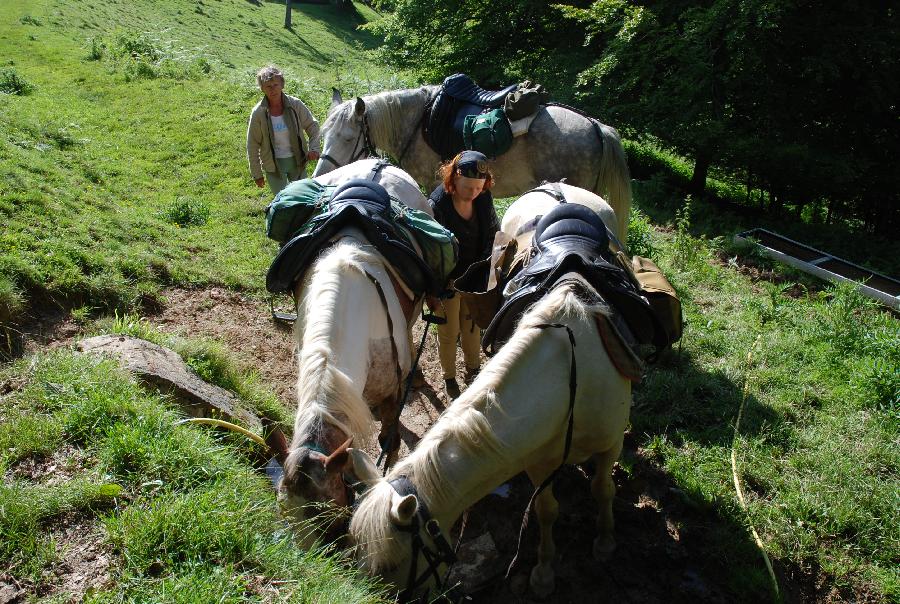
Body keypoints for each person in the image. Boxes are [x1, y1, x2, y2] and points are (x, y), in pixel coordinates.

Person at [428, 150, 500, 398]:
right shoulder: (437, 206)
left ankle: (474, 369)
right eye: (468, 187)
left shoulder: (484, 200)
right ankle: (449, 377)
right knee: (449, 332)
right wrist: (435, 288)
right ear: (453, 179)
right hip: (447, 280)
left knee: (471, 327)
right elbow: (432, 253)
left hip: (473, 278)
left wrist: (485, 270)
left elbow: (493, 234)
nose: (473, 193)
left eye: (478, 187)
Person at [246, 65, 321, 195]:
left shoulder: (295, 105)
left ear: (282, 85)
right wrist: (256, 173)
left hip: (297, 161)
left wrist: (314, 148)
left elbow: (312, 126)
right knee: (283, 201)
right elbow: (252, 144)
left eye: (275, 84)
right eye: (268, 86)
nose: (272, 89)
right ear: (262, 88)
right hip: (273, 166)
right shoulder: (258, 112)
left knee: (302, 197)